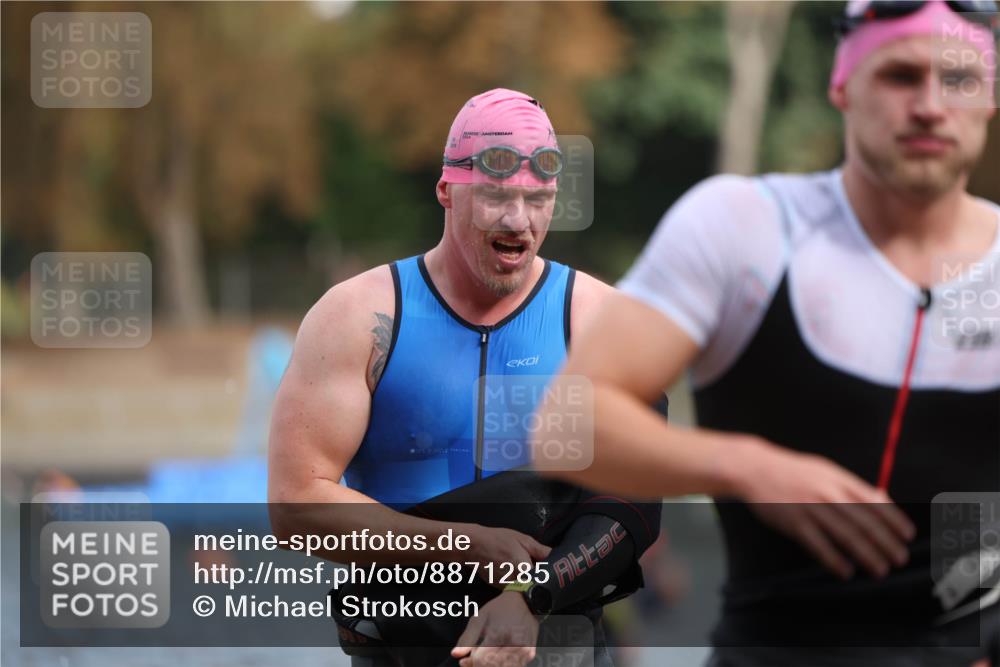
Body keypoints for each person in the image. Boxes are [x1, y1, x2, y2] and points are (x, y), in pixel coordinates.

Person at [533, 2, 999, 665]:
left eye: (959, 79)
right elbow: (565, 425)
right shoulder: (743, 229)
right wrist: (746, 465)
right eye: (899, 75)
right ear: (842, 86)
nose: (929, 104)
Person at [268, 88, 661, 667]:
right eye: (497, 197)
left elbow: (631, 507)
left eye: (538, 199)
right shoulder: (359, 319)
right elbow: (296, 506)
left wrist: (531, 596)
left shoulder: (600, 320)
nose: (518, 221)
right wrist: (464, 547)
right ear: (447, 191)